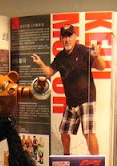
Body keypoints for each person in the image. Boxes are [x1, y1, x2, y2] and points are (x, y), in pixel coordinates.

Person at [32, 24, 106, 155]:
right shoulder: (60, 57)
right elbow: (49, 72)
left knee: (88, 132)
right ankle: (67, 157)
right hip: (71, 101)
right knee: (64, 131)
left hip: (86, 98)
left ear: (75, 37)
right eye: (64, 37)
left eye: (70, 36)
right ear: (61, 39)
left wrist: (97, 56)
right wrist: (40, 63)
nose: (67, 39)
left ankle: (96, 163)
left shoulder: (83, 51)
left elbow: (102, 67)